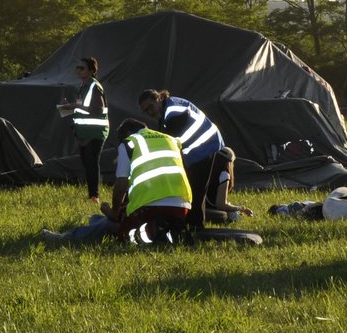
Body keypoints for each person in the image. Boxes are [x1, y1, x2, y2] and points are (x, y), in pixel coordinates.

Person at [42, 118, 193, 246]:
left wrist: (113, 211)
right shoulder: (171, 140)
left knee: (113, 226)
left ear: (126, 134)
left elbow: (121, 185)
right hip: (182, 206)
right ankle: (169, 231)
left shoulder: (129, 143)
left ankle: (65, 238)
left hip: (151, 207)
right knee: (102, 218)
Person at [139, 88, 226, 232]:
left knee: (195, 189)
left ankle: (196, 228)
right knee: (192, 188)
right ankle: (190, 224)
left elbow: (170, 141)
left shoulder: (174, 111)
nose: (149, 112)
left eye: (150, 107)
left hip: (206, 146)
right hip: (198, 149)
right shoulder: (166, 111)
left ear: (159, 99)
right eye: (145, 111)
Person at [59, 58, 108, 203]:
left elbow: (99, 109)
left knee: (92, 163)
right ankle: (92, 195)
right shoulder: (84, 86)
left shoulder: (94, 86)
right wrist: (71, 106)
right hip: (84, 133)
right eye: (77, 68)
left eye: (82, 68)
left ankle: (95, 196)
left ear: (92, 71)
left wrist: (74, 106)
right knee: (87, 164)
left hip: (95, 132)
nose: (78, 71)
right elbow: (83, 108)